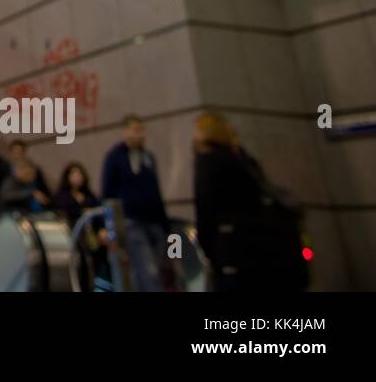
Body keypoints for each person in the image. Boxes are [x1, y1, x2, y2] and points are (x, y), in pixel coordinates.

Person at [193, 112, 307, 292]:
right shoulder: (243, 159)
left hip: (234, 249)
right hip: (265, 249)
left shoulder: (208, 161)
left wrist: (207, 247)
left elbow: (205, 207)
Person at [101, 115, 173, 292]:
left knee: (153, 270)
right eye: (135, 130)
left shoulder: (148, 157)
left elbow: (156, 191)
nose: (140, 135)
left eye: (142, 130)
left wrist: (165, 226)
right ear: (125, 132)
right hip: (131, 221)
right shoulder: (115, 157)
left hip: (153, 221)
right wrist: (105, 225)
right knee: (147, 271)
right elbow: (107, 192)